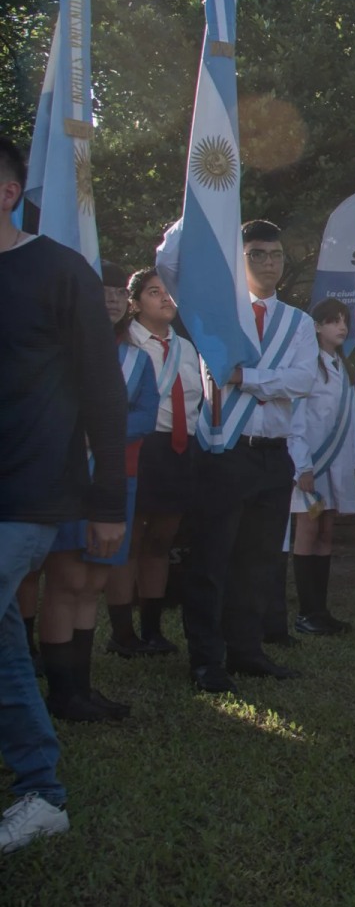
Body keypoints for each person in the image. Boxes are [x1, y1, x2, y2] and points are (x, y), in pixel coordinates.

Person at [0, 135, 126, 849]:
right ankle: (41, 789)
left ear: (10, 192)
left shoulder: (60, 272)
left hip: (30, 493)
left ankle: (40, 786)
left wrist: (108, 499)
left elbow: (103, 391)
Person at [171, 219, 318, 690]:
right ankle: (206, 660)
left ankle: (246, 651)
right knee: (211, 560)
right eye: (257, 254)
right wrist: (196, 211)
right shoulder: (217, 311)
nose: (269, 263)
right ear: (240, 258)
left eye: (275, 255)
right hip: (223, 451)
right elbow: (169, 265)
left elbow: (303, 381)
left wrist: (247, 379)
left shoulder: (298, 321)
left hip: (273, 457)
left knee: (257, 562)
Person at [38, 264, 157, 720]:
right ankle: (62, 693)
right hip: (70, 474)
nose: (108, 301)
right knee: (66, 581)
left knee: (93, 582)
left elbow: (147, 415)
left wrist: (103, 430)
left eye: (114, 294)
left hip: (116, 476)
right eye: (99, 293)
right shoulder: (59, 352)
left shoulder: (137, 359)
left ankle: (81, 691)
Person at [109, 268, 202, 655]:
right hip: (139, 448)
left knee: (162, 540)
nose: (165, 299)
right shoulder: (123, 344)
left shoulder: (187, 347)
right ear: (134, 303)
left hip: (179, 451)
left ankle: (152, 628)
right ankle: (122, 632)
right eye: (153, 292)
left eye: (168, 292)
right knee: (130, 542)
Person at [288, 299, 355, 637]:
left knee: (327, 533)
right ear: (316, 326)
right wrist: (302, 465)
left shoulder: (342, 366)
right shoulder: (307, 364)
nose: (341, 327)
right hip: (312, 464)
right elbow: (297, 418)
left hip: (337, 463)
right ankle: (306, 613)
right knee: (308, 531)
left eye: (344, 320)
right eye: (333, 321)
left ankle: (321, 609)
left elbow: (348, 423)